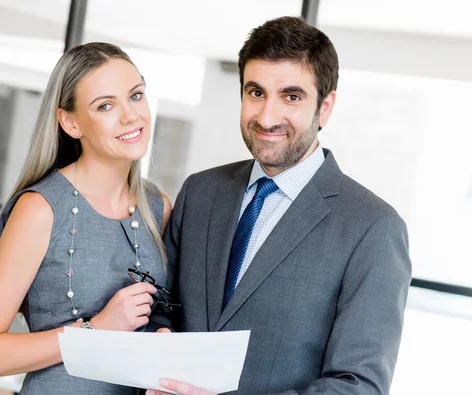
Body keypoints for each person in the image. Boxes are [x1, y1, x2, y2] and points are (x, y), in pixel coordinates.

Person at [148, 16, 411, 395]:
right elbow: (165, 308)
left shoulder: (373, 228)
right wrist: (158, 350)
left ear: (325, 108)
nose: (267, 117)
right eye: (256, 93)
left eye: (291, 96)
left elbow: (359, 386)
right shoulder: (200, 191)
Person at [0, 42, 173, 395]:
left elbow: (161, 315)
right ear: (71, 123)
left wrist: (165, 337)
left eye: (135, 96)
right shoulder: (40, 209)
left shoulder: (158, 206)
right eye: (106, 105)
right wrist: (96, 329)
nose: (130, 116)